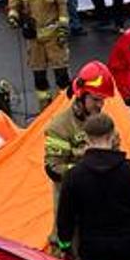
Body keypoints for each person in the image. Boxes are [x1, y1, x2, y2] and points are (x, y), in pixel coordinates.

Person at [54, 113, 130, 260]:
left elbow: (65, 219)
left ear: (86, 139)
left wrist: (66, 247)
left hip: (94, 250)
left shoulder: (74, 175)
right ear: (113, 136)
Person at [6, 0, 72, 105]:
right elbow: (14, 5)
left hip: (54, 35)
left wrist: (63, 27)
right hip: (34, 37)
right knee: (39, 78)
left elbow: (63, 5)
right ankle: (45, 108)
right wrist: (13, 17)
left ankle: (66, 107)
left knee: (62, 76)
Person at [44, 62, 117, 194]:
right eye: (96, 99)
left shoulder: (105, 123)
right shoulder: (60, 127)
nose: (100, 105)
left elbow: (116, 153)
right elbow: (54, 170)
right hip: (74, 198)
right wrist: (88, 171)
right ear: (81, 95)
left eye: (103, 100)